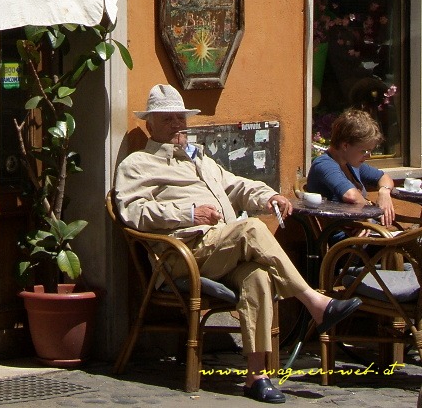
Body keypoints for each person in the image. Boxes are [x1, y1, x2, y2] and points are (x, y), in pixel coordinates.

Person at [114, 84, 362, 404]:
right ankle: (314, 302)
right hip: (184, 254)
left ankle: (256, 377)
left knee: (257, 275)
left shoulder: (197, 157)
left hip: (222, 248)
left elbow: (236, 185)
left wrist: (268, 196)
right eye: (167, 119)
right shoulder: (138, 164)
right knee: (252, 228)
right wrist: (188, 212)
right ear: (150, 124)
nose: (177, 124)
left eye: (180, 117)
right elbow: (133, 213)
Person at [306, 108, 395, 227]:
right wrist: (369, 217)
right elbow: (351, 196)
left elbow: (383, 177)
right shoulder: (325, 164)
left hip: (365, 229)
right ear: (345, 146)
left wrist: (384, 192)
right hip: (346, 234)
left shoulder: (351, 164)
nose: (368, 155)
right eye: (364, 151)